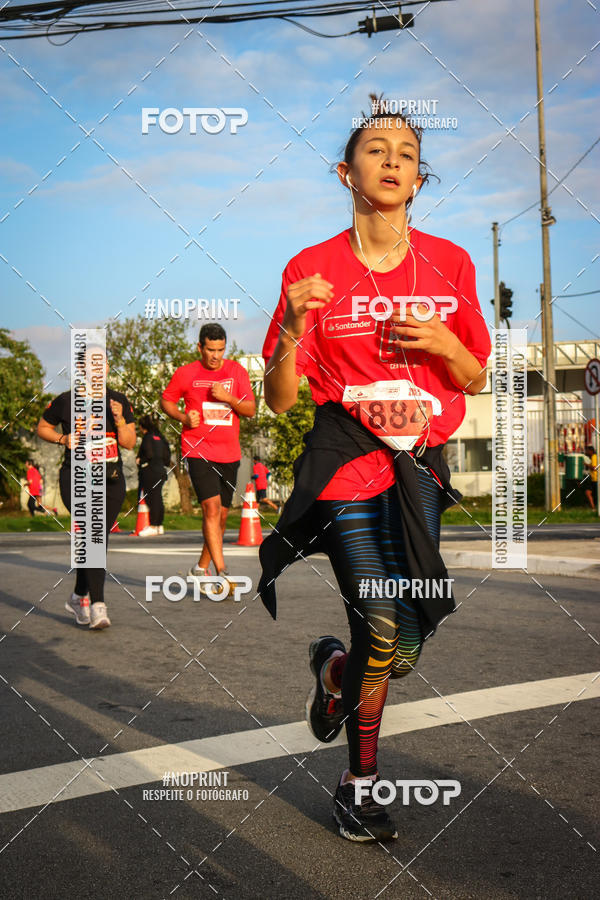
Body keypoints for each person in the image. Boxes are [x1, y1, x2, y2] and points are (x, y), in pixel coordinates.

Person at [259, 95, 491, 843]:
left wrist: (441, 347)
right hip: (343, 457)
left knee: (407, 643)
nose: (393, 162)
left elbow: (476, 374)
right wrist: (294, 326)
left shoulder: (450, 262)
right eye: (376, 150)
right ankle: (358, 786)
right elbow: (280, 395)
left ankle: (334, 676)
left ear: (420, 181)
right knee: (382, 618)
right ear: (345, 171)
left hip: (417, 462)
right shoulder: (311, 267)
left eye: (408, 155)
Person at [36, 348, 136, 629]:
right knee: (93, 535)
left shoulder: (117, 400)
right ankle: (98, 605)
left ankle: (79, 594)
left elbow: (129, 442)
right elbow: (42, 427)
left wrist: (118, 420)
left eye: (101, 363)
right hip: (76, 477)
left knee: (97, 538)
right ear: (81, 369)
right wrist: (61, 438)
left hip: (112, 478)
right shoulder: (66, 401)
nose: (97, 369)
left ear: (106, 366)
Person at [161, 323, 256, 586]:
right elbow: (166, 399)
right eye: (210, 350)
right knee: (211, 510)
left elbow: (250, 410)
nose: (215, 356)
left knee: (222, 516)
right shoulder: (185, 373)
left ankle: (200, 568)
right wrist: (182, 416)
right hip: (198, 449)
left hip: (230, 453)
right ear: (200, 347)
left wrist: (228, 398)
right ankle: (223, 572)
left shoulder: (236, 371)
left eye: (220, 350)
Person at [136, 414, 171, 535]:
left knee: (151, 498)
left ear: (142, 427)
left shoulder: (147, 437)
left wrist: (140, 460)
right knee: (158, 498)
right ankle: (159, 525)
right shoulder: (160, 437)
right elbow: (167, 456)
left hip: (150, 471)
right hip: (161, 470)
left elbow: (148, 453)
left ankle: (153, 525)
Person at [584, 443, 598, 509]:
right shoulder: (592, 457)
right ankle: (593, 507)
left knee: (589, 492)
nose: (586, 452)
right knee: (588, 492)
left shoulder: (594, 457)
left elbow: (594, 468)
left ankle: (594, 508)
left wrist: (586, 464)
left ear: (590, 451)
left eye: (587, 451)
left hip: (596, 479)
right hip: (593, 479)